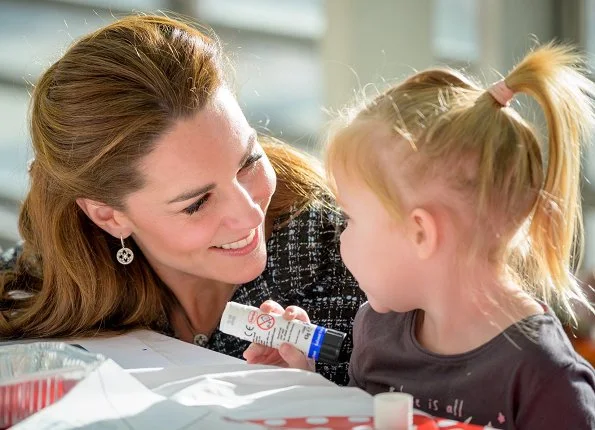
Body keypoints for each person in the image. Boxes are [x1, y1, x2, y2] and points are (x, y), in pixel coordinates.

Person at [0, 14, 365, 386]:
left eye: (249, 162)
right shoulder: (50, 276)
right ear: (108, 216)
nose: (250, 212)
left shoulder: (356, 265)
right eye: (197, 203)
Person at [246, 44, 595, 427]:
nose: (339, 237)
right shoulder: (376, 332)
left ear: (420, 233)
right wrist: (303, 383)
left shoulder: (545, 379)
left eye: (351, 218)